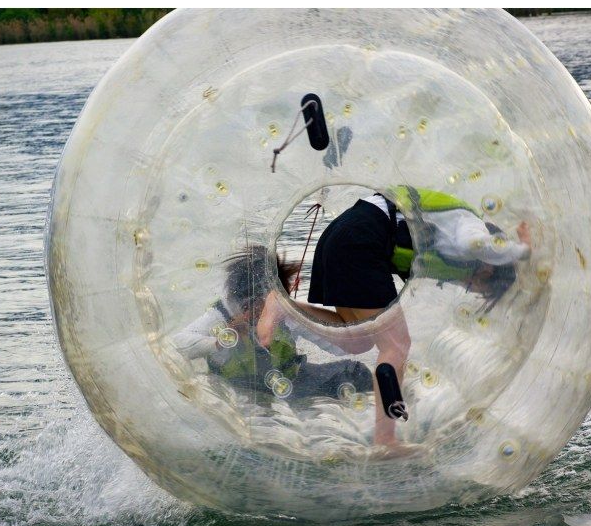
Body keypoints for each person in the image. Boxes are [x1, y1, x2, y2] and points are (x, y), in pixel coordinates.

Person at [257, 185, 532, 446]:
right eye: (479, 285)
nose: (468, 285)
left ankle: (285, 307)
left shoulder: (450, 245)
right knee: (397, 345)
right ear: (490, 269)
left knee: (356, 340)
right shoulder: (470, 226)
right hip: (361, 239)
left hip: (344, 238)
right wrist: (521, 251)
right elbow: (476, 244)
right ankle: (386, 441)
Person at [173, 246, 372, 401]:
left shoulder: (284, 312)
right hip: (239, 389)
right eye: (252, 304)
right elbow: (178, 345)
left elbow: (340, 348)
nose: (260, 310)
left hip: (291, 381)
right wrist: (219, 341)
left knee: (355, 372)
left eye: (268, 300)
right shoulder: (221, 315)